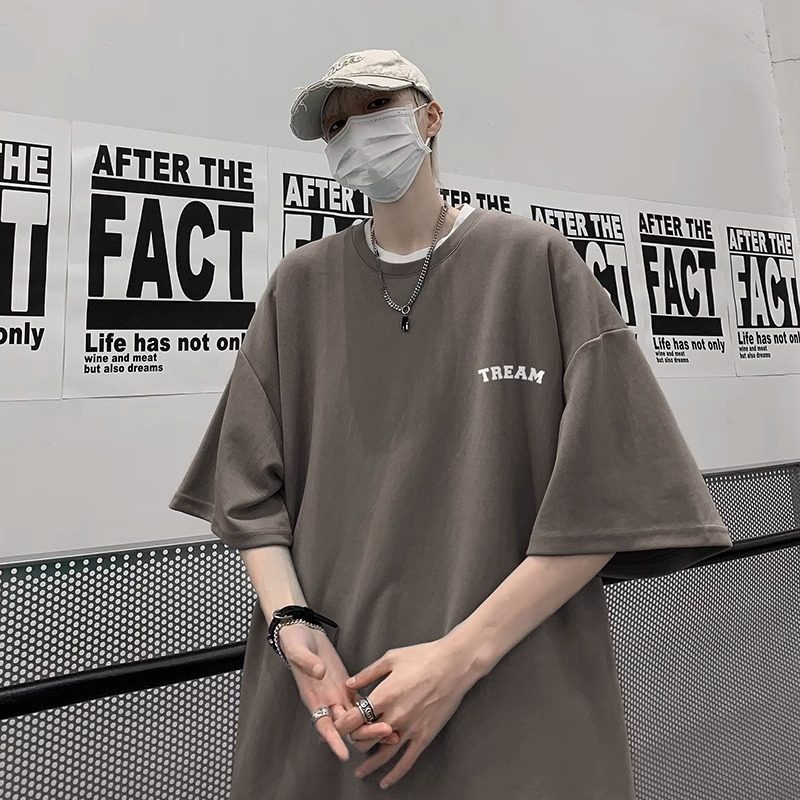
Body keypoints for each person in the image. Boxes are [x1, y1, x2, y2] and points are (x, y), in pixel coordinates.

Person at [169, 48, 734, 798]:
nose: (354, 132)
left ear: (430, 117)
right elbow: (247, 491)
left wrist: (459, 658)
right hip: (335, 691)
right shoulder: (300, 287)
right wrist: (289, 620)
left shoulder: (532, 264)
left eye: (375, 107)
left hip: (509, 685)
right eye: (336, 125)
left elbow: (611, 495)